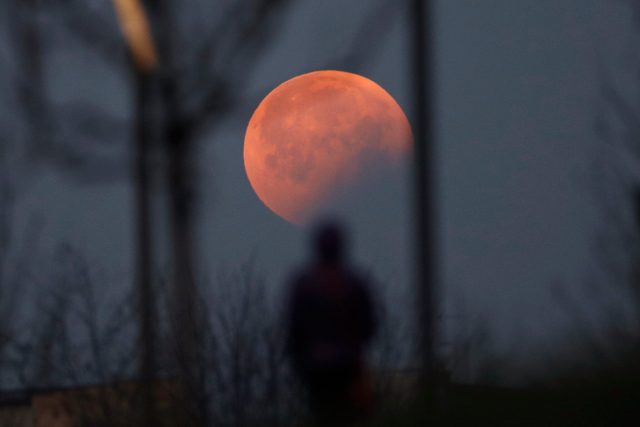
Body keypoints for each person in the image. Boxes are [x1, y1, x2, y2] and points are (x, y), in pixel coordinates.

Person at [285, 220, 377, 422]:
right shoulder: (354, 283)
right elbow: (369, 326)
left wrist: (298, 360)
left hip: (316, 368)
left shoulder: (304, 285)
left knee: (323, 415)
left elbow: (294, 329)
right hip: (346, 365)